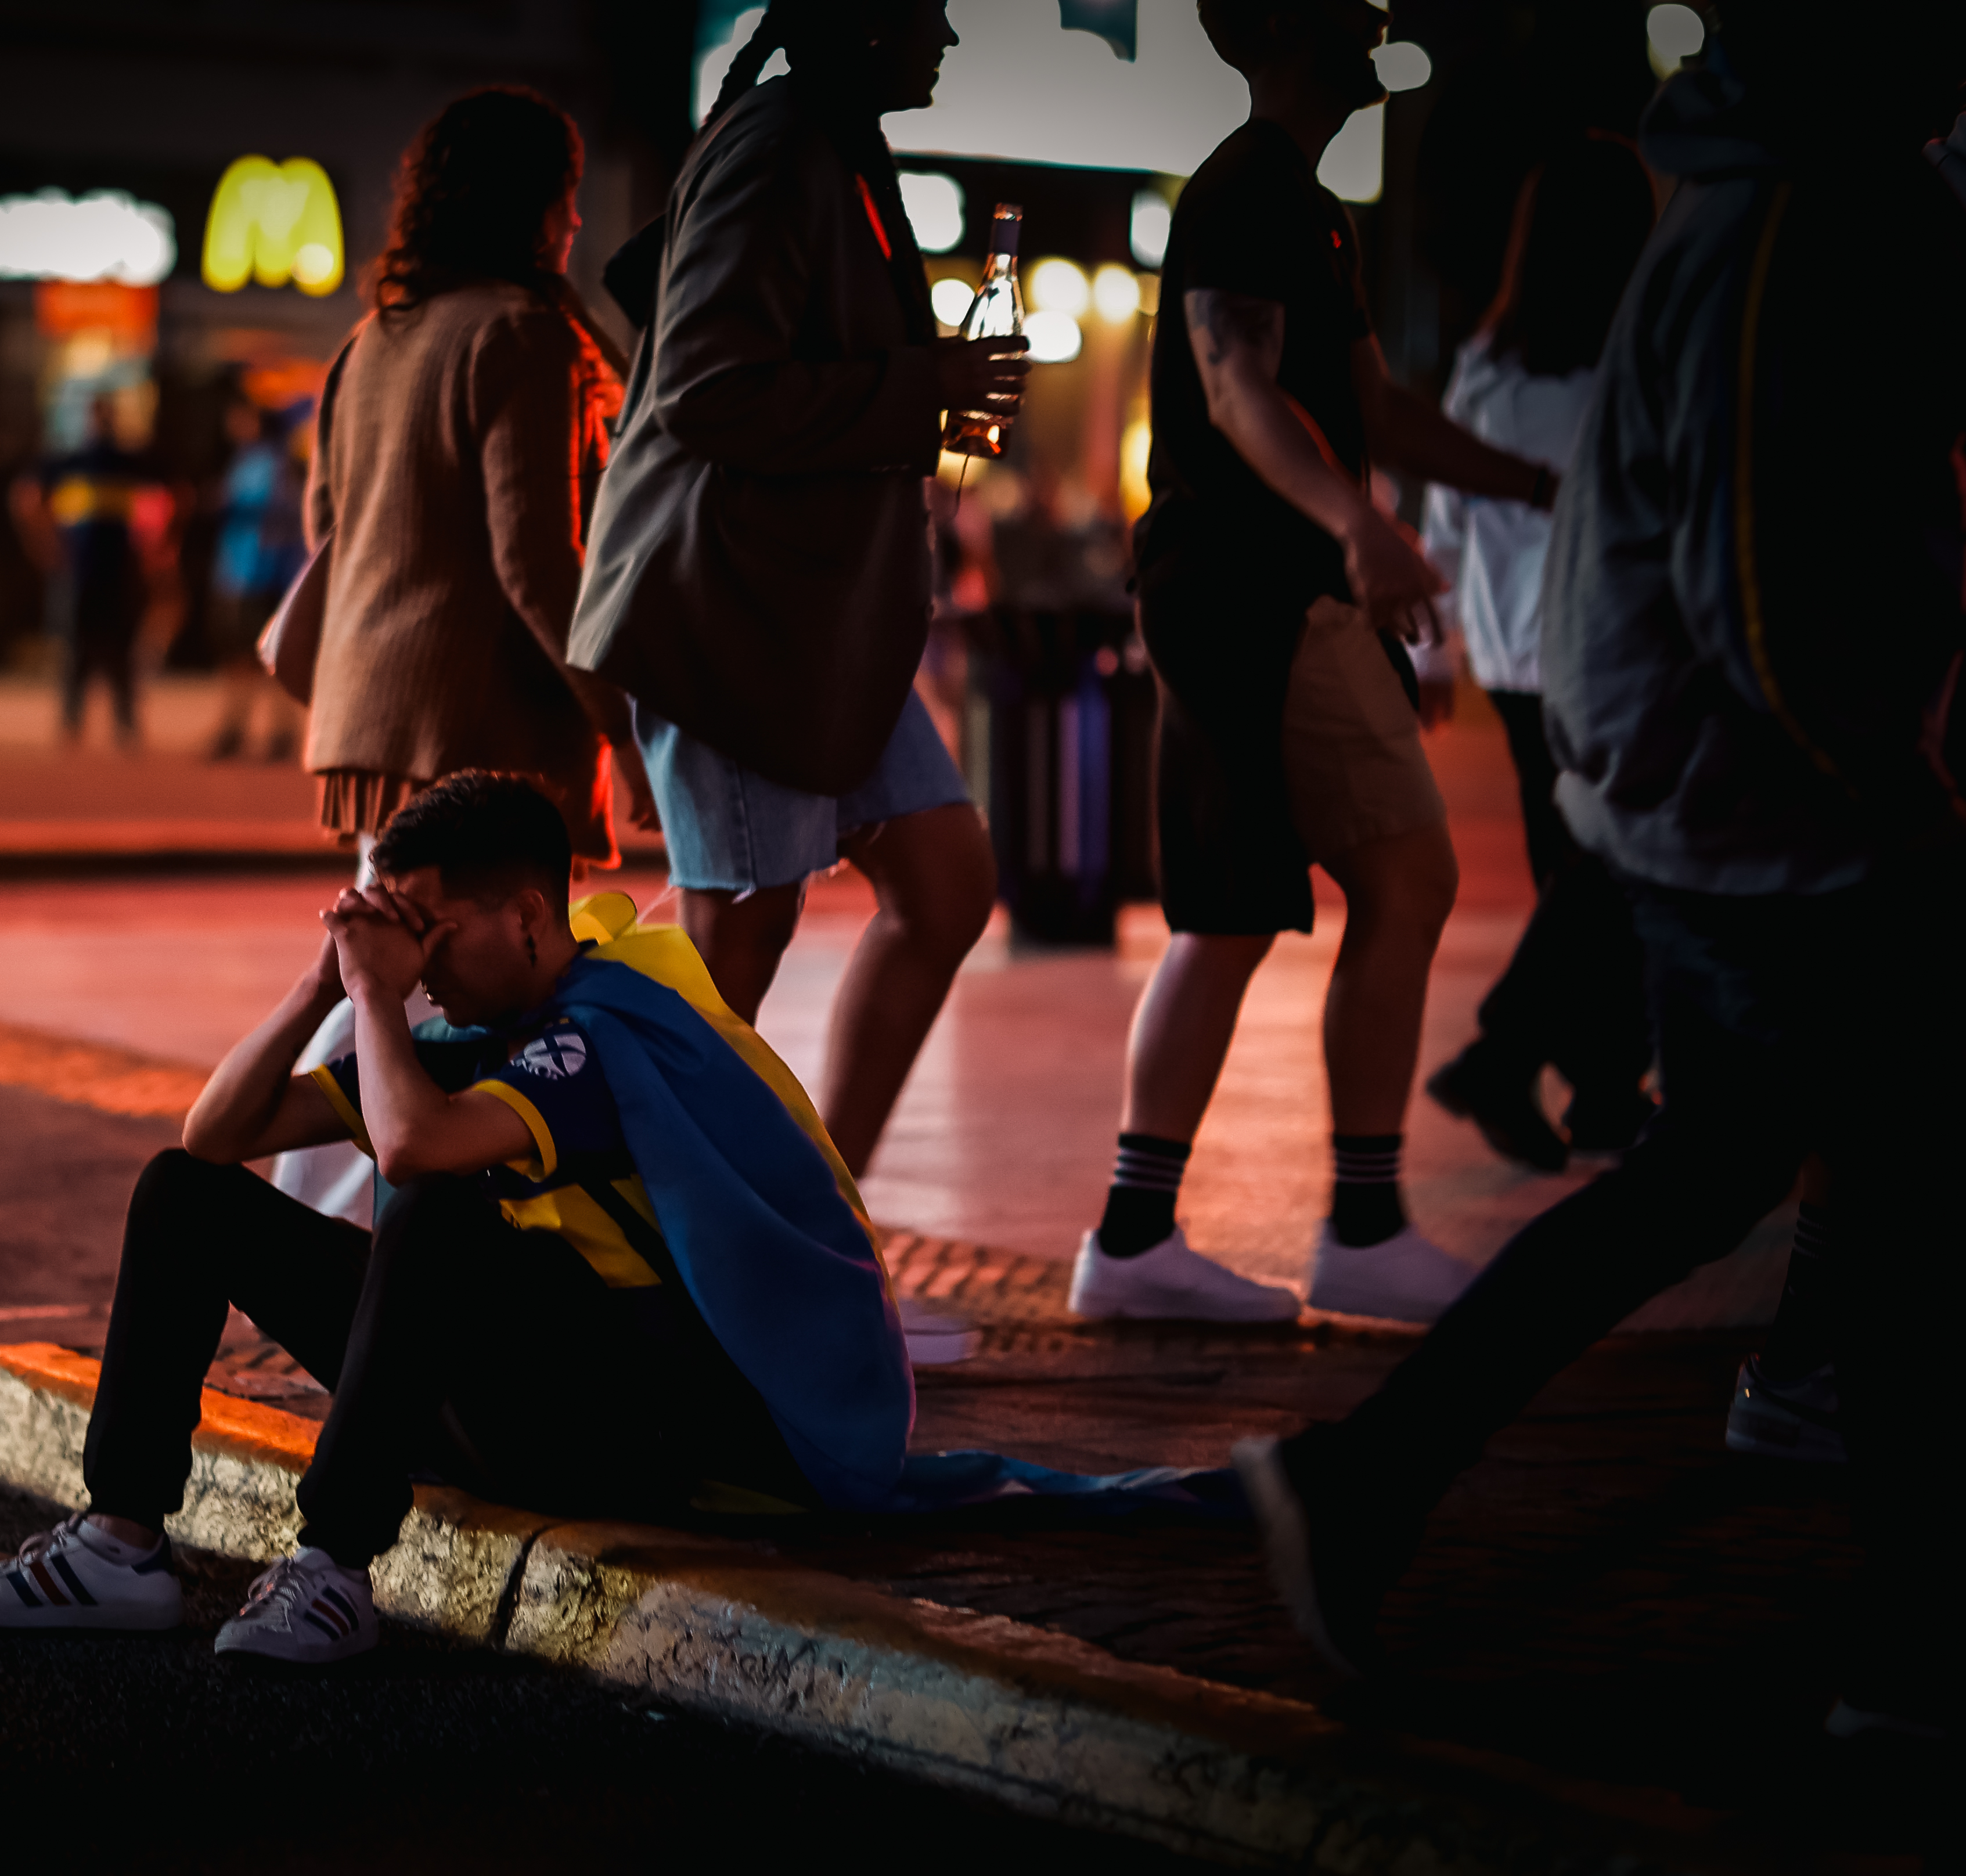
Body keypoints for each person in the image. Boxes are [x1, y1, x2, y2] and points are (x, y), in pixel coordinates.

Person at [1233, 3, 1966, 1759]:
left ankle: (1367, 1483)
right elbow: (1756, 566)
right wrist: (1893, 782)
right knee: (1908, 1199)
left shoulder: (1764, 204)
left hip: (1704, 780)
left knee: (1726, 1172)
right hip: (1754, 795)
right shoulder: (1791, 222)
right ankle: (1903, 1653)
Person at [0, 775, 834, 1663]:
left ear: (525, 915)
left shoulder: (605, 1033)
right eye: (393, 932)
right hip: (504, 1406)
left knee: (440, 1213)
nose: (414, 964)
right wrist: (324, 982)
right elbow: (219, 1130)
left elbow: (413, 1149)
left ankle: (332, 1564)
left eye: (429, 931)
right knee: (181, 1190)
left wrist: (374, 999)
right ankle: (120, 1543)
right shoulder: (473, 1037)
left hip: (637, 1436)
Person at [1068, 0, 1565, 1326]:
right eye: (1353, 11)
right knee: (1388, 873)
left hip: (1268, 592)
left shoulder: (1305, 201)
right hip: (1261, 593)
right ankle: (1335, 1223)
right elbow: (1239, 386)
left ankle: (1144, 1235)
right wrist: (1359, 524)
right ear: (1294, 35)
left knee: (1247, 905)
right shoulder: (1250, 190)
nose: (1377, 27)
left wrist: (1529, 482)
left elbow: (1374, 405)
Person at [568, 0, 1010, 1183]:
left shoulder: (827, 142)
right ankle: (624, 1203)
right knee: (733, 942)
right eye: (930, 13)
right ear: (864, 19)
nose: (947, 41)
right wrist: (921, 386)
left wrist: (926, 388)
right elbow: (709, 389)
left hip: (819, 624)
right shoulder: (778, 146)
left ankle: (826, 1212)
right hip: (736, 614)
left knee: (943, 881)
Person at [303, 87, 652, 870]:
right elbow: (537, 564)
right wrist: (623, 727)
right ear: (530, 205)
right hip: (482, 733)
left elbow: (325, 526)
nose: (576, 220)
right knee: (467, 983)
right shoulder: (524, 335)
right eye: (567, 195)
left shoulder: (374, 338)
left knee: (386, 971)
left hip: (368, 715)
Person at [1416, 136, 1657, 1173]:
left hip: (1513, 662)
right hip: (1609, 647)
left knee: (1575, 865)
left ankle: (1602, 1090)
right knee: (1616, 864)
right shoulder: (1633, 358)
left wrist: (1433, 649)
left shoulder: (1488, 365)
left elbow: (1447, 516)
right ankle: (1515, 1057)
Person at [12, 386, 160, 750]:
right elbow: (25, 499)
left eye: (106, 413)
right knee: (75, 649)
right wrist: (45, 547)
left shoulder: (127, 461)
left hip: (119, 569)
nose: (102, 421)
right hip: (77, 572)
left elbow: (167, 498)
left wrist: (156, 546)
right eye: (97, 414)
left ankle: (125, 726)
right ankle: (71, 724)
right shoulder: (68, 461)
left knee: (121, 650)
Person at [203, 396, 307, 763]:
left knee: (258, 659)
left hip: (259, 574)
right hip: (237, 571)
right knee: (238, 658)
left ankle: (271, 732)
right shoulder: (246, 460)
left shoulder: (272, 461)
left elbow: (280, 512)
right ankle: (238, 728)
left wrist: (231, 506)